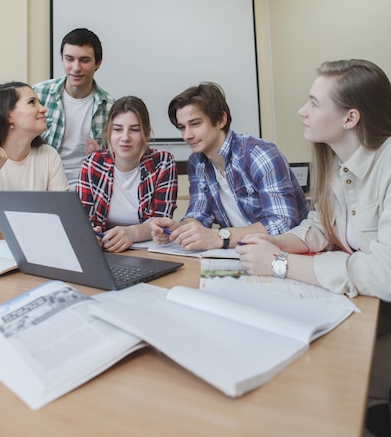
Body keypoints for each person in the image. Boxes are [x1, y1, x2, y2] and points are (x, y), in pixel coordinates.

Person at [235, 59, 391, 416]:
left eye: (314, 103)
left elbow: (385, 273)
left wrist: (279, 265)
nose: (302, 110)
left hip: (382, 311)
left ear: (350, 118)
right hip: (371, 311)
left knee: (318, 384)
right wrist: (280, 244)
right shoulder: (338, 164)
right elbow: (321, 225)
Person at [151, 82, 308, 251]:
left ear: (221, 120)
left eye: (195, 124)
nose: (187, 135)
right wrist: (179, 228)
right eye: (182, 127)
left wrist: (220, 237)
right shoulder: (196, 163)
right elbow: (199, 214)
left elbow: (283, 223)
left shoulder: (259, 155)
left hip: (289, 254)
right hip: (242, 254)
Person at [0, 81, 69, 251]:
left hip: (38, 254)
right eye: (32, 102)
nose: (43, 109)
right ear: (8, 115)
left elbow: (65, 224)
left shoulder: (48, 155)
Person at [76, 96, 178, 253]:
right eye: (117, 129)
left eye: (135, 130)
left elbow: (161, 223)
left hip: (148, 253)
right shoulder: (93, 164)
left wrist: (132, 233)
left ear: (146, 133)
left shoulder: (163, 162)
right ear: (108, 133)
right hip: (105, 251)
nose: (125, 138)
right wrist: (90, 235)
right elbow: (84, 220)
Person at [33, 28, 115, 189]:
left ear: (98, 63)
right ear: (62, 59)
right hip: (41, 185)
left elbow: (118, 161)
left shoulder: (111, 106)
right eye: (69, 59)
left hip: (88, 189)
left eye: (84, 60)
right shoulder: (37, 95)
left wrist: (102, 158)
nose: (76, 67)